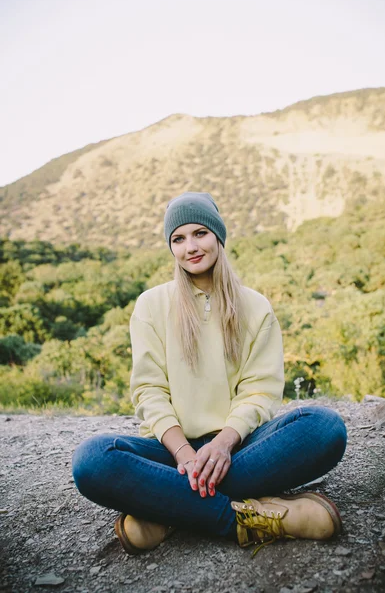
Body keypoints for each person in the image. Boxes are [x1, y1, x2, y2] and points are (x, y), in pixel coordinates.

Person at [72, 192, 347, 556]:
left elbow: (260, 391)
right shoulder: (151, 305)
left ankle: (165, 508)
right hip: (169, 451)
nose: (191, 247)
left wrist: (222, 444)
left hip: (239, 448)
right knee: (92, 459)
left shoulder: (255, 306)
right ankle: (248, 520)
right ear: (171, 248)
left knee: (324, 427)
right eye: (178, 239)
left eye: (200, 233)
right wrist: (186, 455)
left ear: (218, 236)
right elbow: (149, 392)